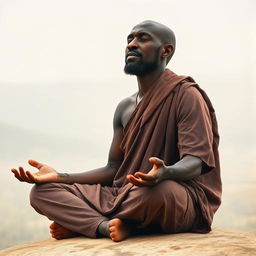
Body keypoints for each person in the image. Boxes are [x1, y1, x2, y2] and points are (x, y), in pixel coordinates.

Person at [11, 20, 221, 242]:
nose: (131, 44)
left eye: (143, 38)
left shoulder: (186, 95)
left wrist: (165, 172)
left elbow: (196, 162)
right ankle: (103, 226)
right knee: (42, 192)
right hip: (124, 193)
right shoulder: (125, 107)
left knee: (158, 192)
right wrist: (61, 177)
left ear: (165, 50)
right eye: (129, 39)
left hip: (171, 195)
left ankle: (87, 223)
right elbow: (114, 168)